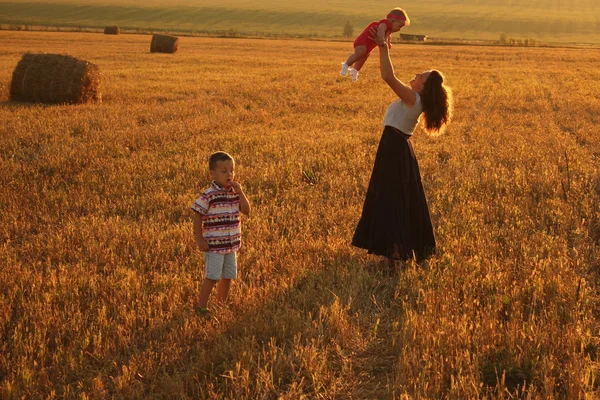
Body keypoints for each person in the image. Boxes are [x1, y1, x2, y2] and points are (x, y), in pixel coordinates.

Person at [351, 28, 453, 268]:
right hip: (395, 147)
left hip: (394, 148)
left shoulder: (413, 99)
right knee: (393, 199)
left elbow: (387, 76)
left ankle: (394, 257)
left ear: (423, 87)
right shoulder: (415, 99)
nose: (417, 74)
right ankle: (393, 254)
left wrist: (383, 47)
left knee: (391, 200)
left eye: (422, 75)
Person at [191, 151, 251, 319]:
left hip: (231, 245)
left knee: (228, 276)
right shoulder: (208, 195)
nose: (229, 175)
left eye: (231, 171)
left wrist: (241, 193)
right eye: (224, 171)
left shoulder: (234, 192)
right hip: (214, 246)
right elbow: (197, 215)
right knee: (212, 277)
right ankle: (201, 307)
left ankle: (220, 304)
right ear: (213, 173)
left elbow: (246, 211)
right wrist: (199, 239)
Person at [340, 8, 410, 82]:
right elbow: (381, 30)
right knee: (360, 53)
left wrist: (388, 44)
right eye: (400, 26)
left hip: (368, 45)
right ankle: (346, 64)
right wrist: (382, 40)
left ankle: (355, 70)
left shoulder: (388, 29)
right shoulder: (385, 23)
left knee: (363, 58)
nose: (400, 29)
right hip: (363, 41)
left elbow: (388, 36)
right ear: (392, 21)